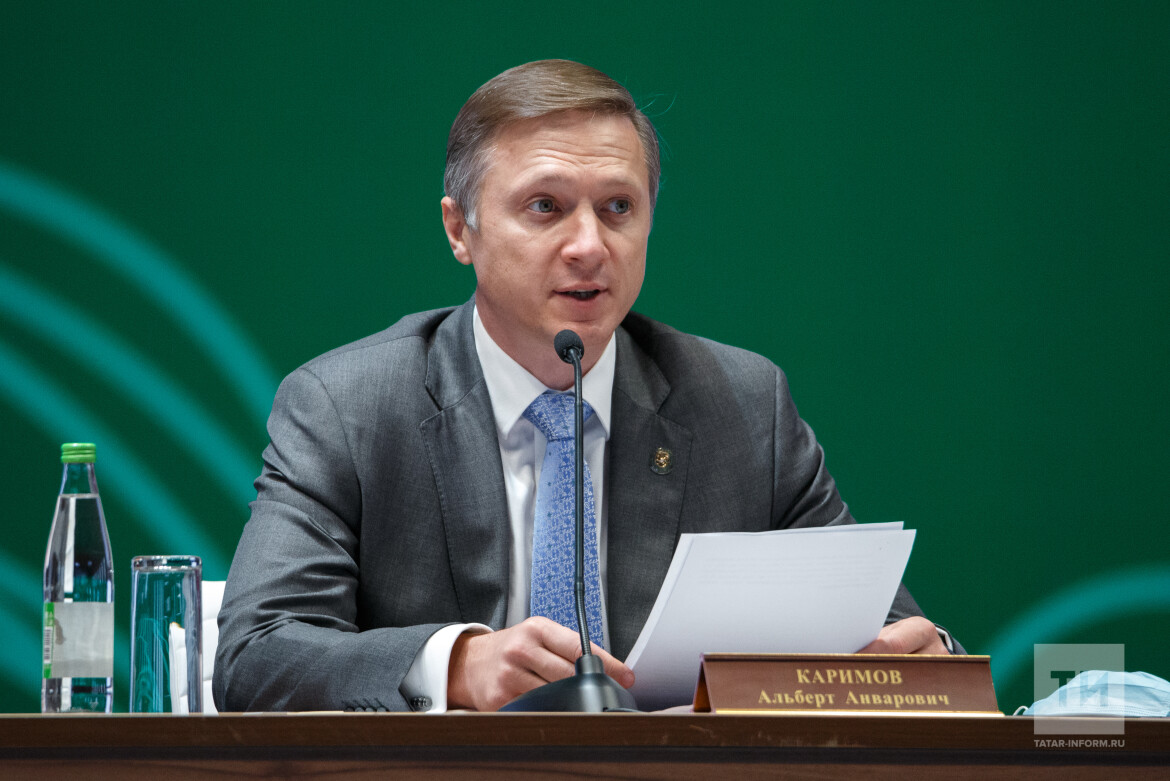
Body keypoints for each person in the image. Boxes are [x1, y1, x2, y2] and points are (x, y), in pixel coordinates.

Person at [213, 59, 960, 714]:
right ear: (460, 230)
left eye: (617, 208)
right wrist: (457, 663)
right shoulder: (348, 407)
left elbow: (891, 633)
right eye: (545, 207)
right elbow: (257, 653)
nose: (589, 246)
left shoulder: (741, 405)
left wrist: (920, 659)